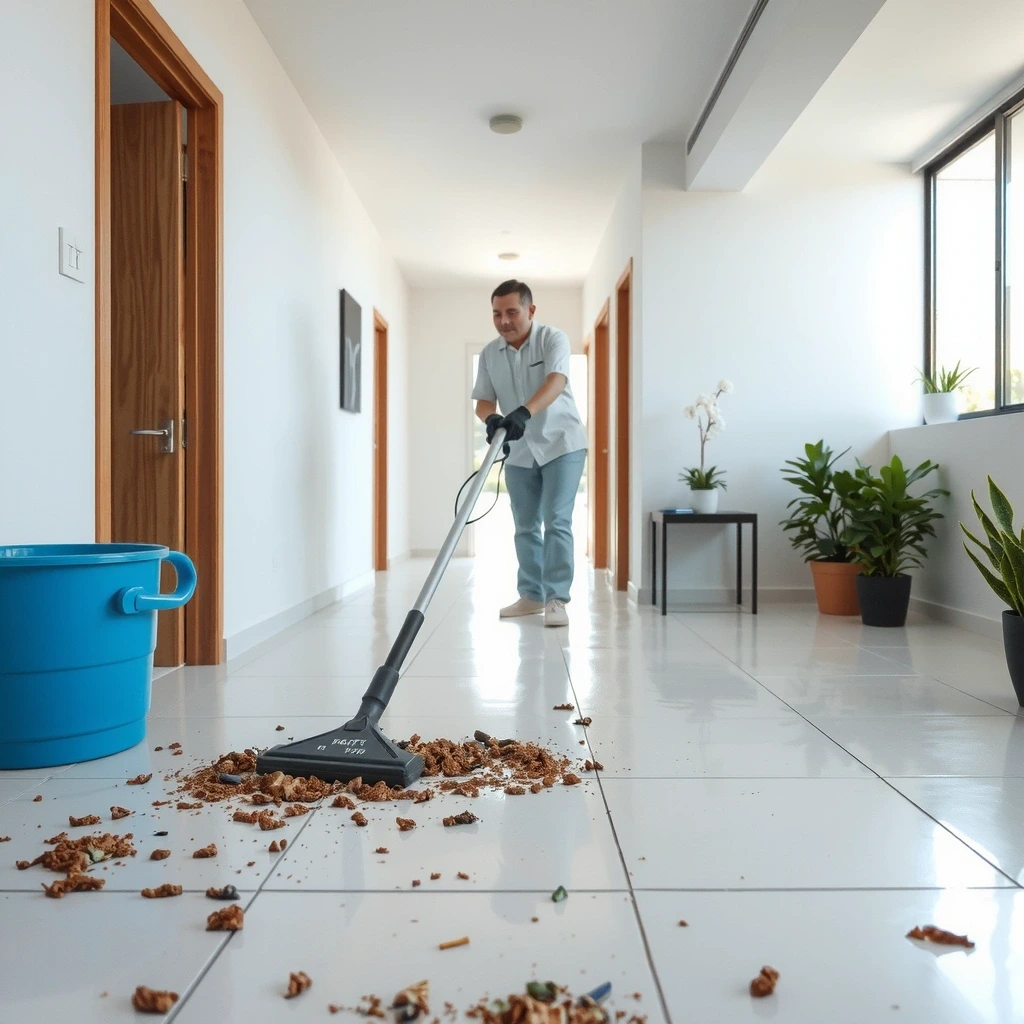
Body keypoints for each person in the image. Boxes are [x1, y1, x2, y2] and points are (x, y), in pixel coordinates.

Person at [472, 280, 588, 627]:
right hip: (520, 450)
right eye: (497, 314)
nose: (504, 321)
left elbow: (556, 381)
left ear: (530, 310)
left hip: (561, 443)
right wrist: (491, 417)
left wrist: (523, 411)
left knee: (556, 519)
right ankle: (531, 596)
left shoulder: (553, 339)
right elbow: (483, 400)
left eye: (511, 312)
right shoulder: (491, 353)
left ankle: (556, 599)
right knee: (525, 526)